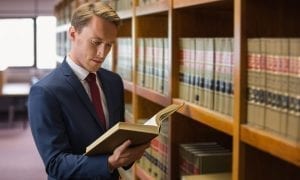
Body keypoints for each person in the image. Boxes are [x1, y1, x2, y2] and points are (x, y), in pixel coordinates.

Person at [28, 2, 149, 179]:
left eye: (109, 45)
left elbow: (116, 138)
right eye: (96, 42)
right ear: (73, 34)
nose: (102, 53)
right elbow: (55, 164)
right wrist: (109, 163)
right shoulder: (45, 92)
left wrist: (131, 149)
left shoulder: (114, 82)